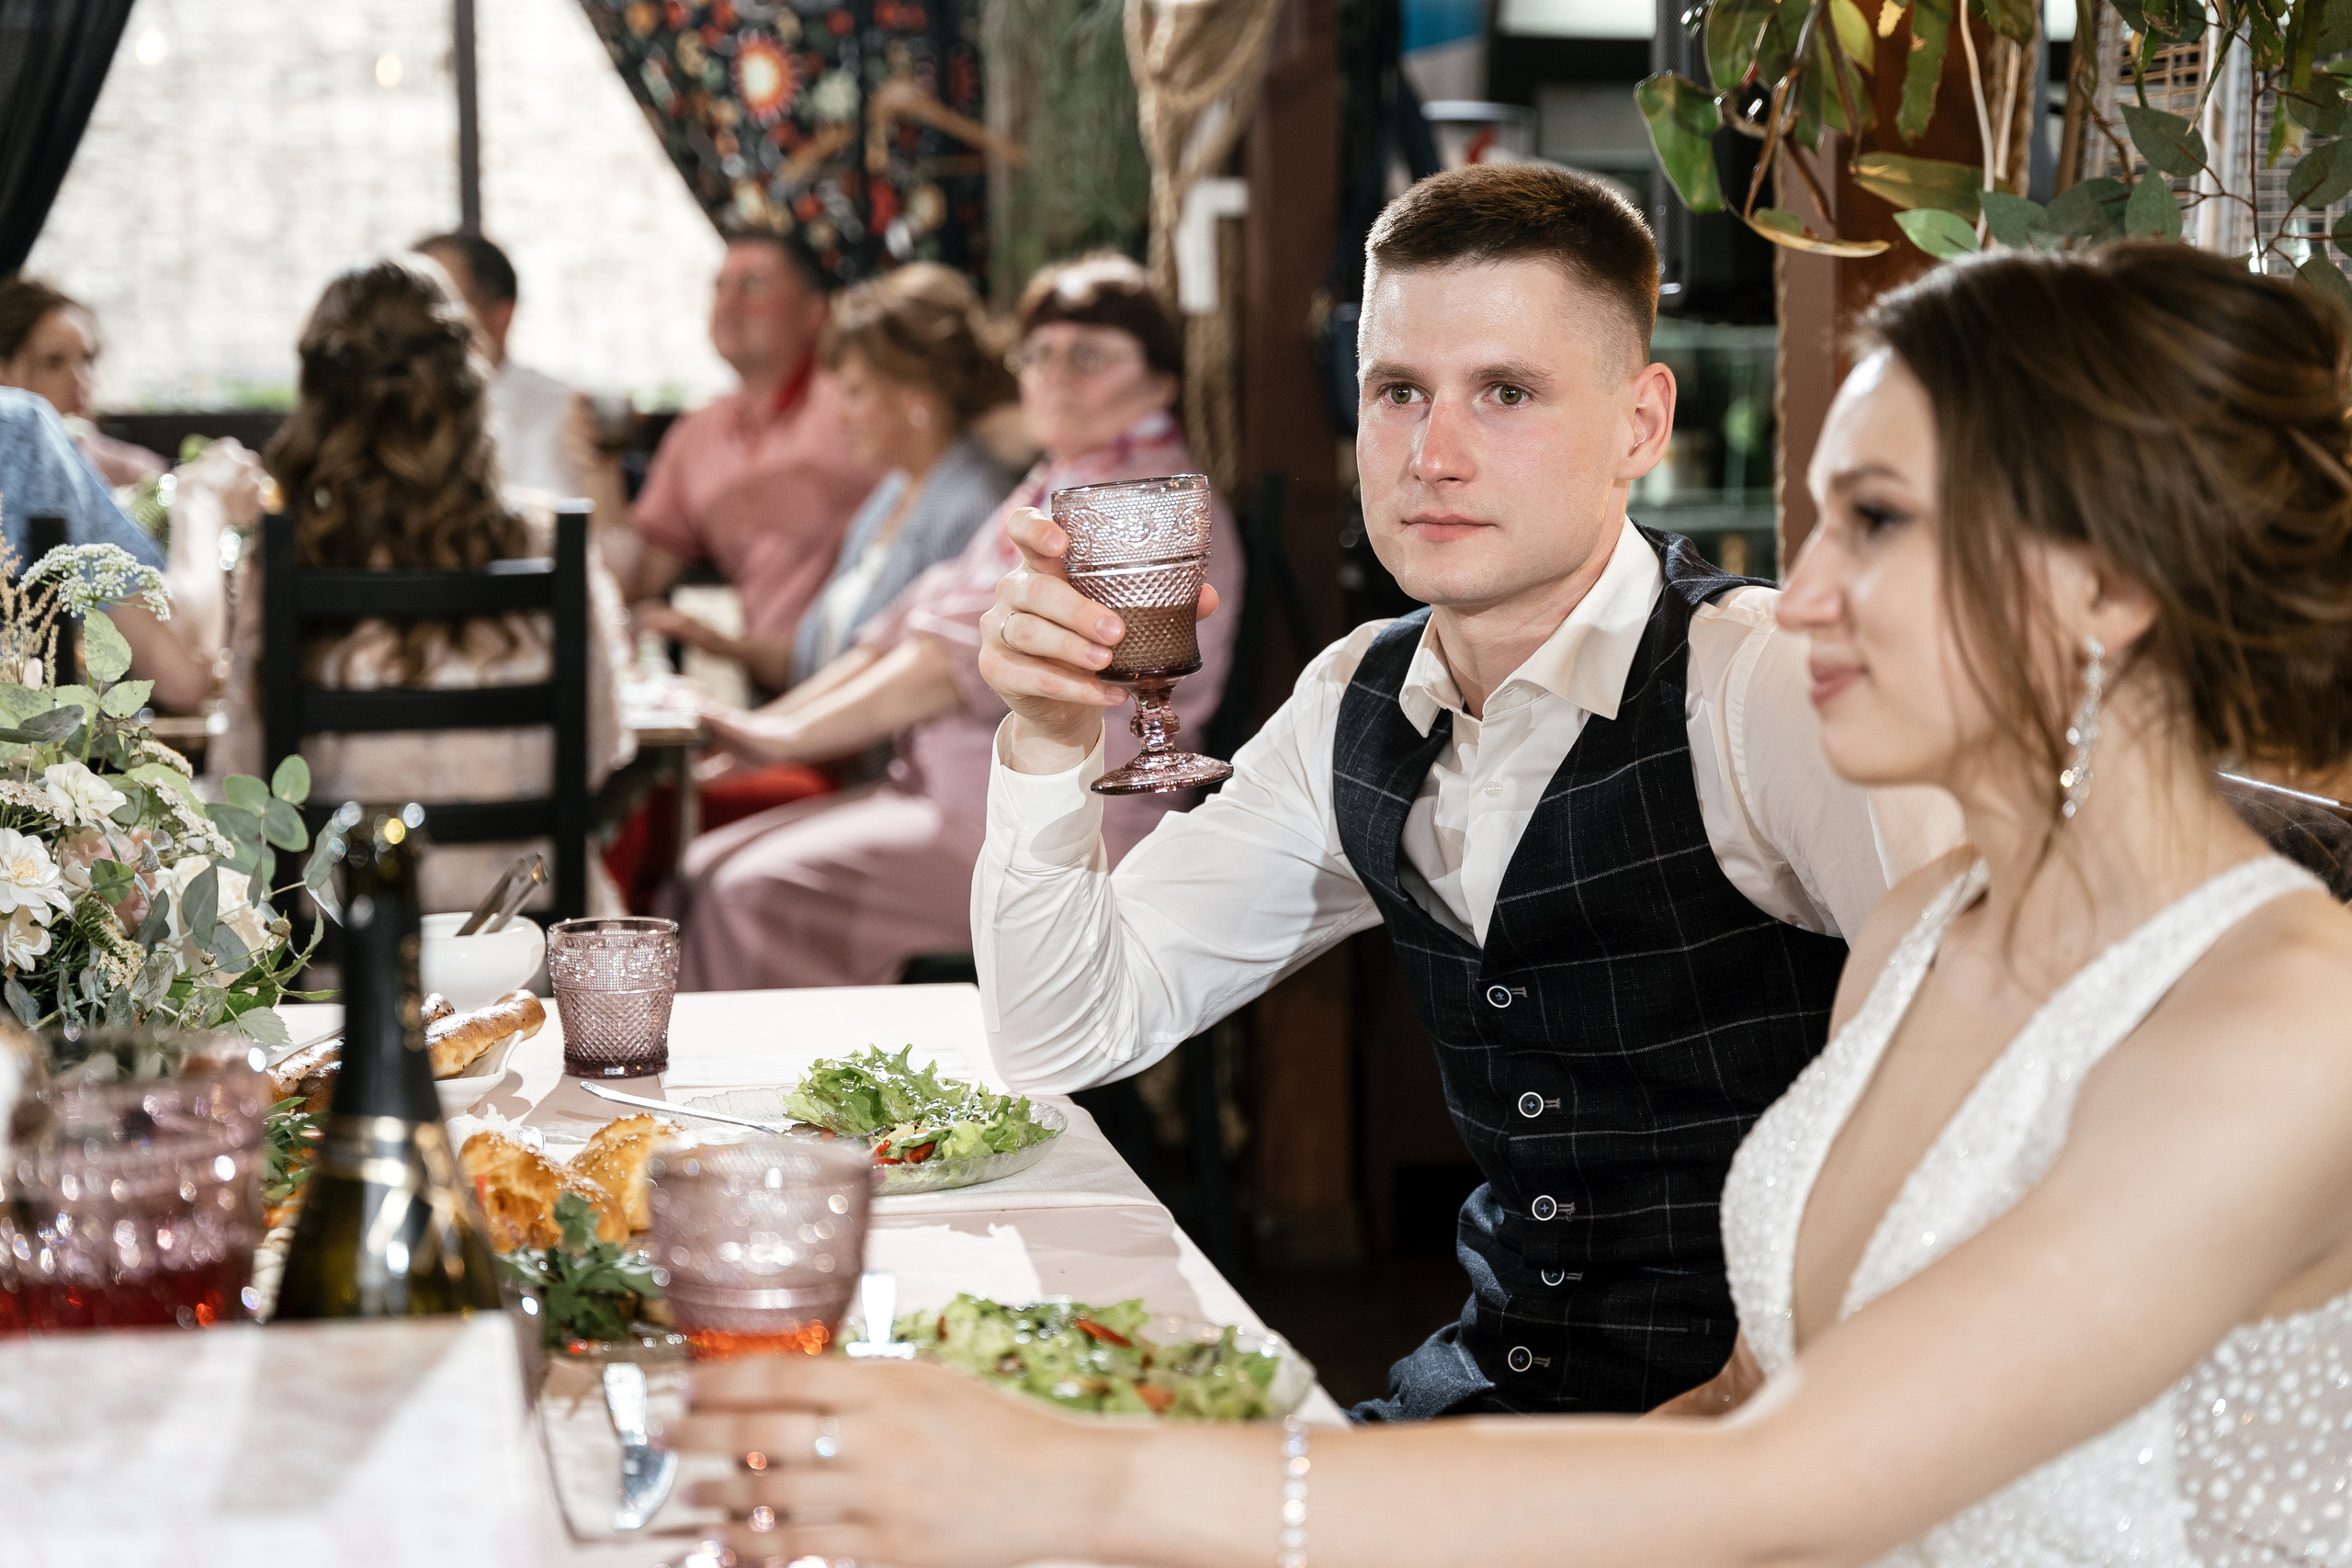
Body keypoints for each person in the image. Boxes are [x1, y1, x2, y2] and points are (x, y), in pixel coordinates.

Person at [662, 240, 2352, 1568]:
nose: (1807, 583)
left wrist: (1104, 1480)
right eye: (1395, 389)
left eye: (1881, 521)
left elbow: (1794, 1492)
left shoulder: (2285, 1025)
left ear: (2112, 587)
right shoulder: (1925, 939)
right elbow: (1746, 1407)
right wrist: (1046, 744)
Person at [958, 165, 1961, 1422]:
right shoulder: (1355, 698)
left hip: (1763, 1447)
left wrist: (1763, 1412)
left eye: (1507, 392)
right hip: (1481, 1400)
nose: (1434, 455)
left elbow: (1985, 1106)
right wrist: (1049, 734)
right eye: (1398, 392)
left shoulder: (1764, 689)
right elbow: (1066, 1032)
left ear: (1641, 425)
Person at [669, 253, 1242, 991]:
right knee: (701, 866)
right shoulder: (1049, 483)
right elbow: (911, 624)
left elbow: (949, 659)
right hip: (957, 793)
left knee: (742, 892)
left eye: (1089, 354)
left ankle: (801, 1096)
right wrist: (771, 731)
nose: (1056, 373)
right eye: (1037, 353)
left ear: (1161, 381)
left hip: (1064, 825)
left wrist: (777, 737)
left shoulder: (1138, 503)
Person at [207, 255, 637, 914]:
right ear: (467, 384)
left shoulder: (290, 556)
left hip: (343, 946)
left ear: (320, 396)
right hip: (516, 934)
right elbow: (600, 752)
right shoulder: (550, 542)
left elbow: (246, 782)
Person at [642, 262, 1014, 697]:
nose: (841, 415)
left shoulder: (973, 508)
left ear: (917, 396)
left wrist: (764, 738)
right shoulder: (894, 492)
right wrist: (717, 644)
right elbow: (818, 666)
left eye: (855, 393)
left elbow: (909, 693)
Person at [580, 231, 877, 695]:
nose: (727, 304)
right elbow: (633, 582)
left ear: (816, 311)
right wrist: (601, 462)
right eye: (719, 287)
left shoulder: (859, 405)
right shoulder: (698, 435)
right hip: (775, 693)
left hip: (879, 687)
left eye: (753, 285)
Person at [413, 232, 584, 499]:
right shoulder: (389, 410)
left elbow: (561, 525)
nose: (420, 328)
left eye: (442, 308)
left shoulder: (558, 410)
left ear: (499, 317)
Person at [0, 275, 164, 486]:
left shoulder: (134, 473)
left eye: (88, 360)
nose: (80, 381)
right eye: (53, 362)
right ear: (3, 372)